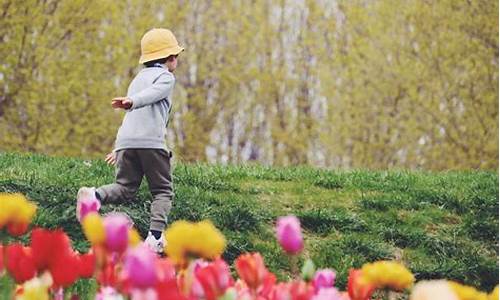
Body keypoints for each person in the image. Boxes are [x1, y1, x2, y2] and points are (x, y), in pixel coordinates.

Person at [77, 28, 184, 254]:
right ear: (170, 58)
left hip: (128, 141)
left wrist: (119, 147)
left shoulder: (137, 79)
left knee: (125, 187)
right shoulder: (166, 77)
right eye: (176, 55)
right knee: (163, 190)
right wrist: (133, 101)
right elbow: (152, 95)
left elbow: (132, 115)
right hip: (151, 143)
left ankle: (94, 196)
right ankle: (155, 237)